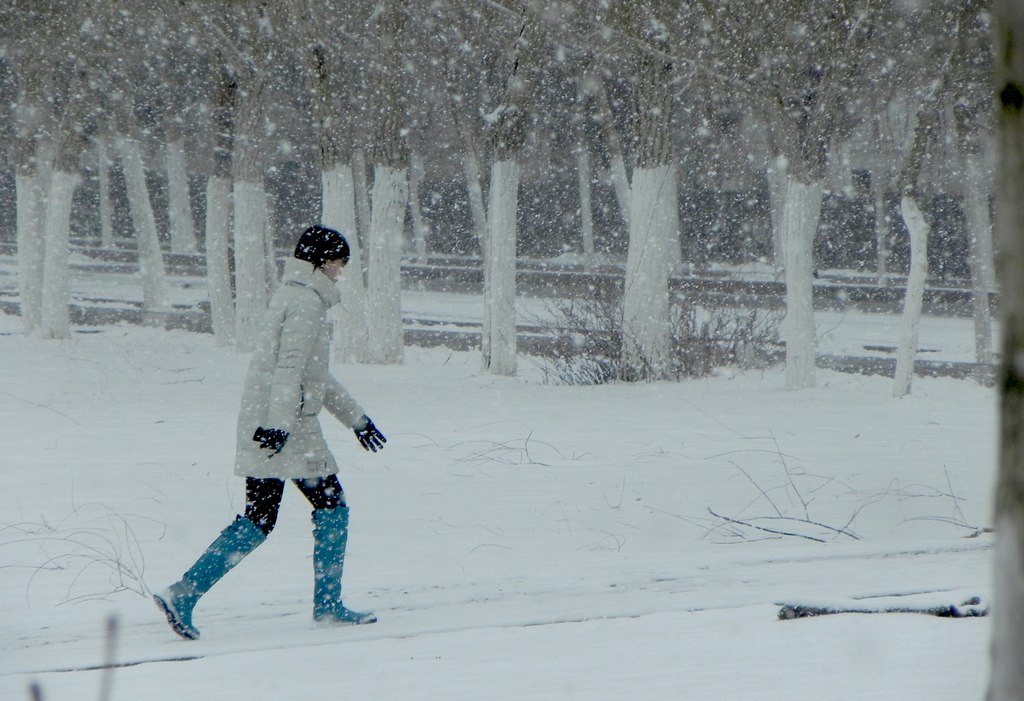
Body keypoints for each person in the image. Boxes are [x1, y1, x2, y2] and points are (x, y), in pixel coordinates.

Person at [154, 225, 387, 640]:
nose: (340, 270)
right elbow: (288, 370)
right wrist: (279, 425)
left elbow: (314, 374)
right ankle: (326, 604)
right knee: (328, 506)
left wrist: (356, 418)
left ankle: (184, 592)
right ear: (320, 261)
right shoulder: (305, 303)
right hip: (285, 428)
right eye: (338, 262)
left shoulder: (294, 296)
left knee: (261, 518)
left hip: (274, 423)